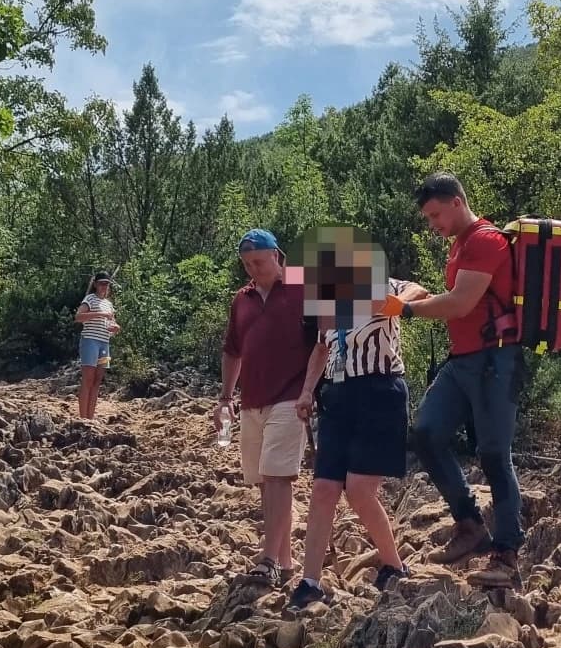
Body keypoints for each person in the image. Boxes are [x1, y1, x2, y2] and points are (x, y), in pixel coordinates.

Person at [383, 174, 524, 589]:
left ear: (458, 202)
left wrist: (405, 311)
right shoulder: (459, 245)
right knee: (427, 433)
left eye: (435, 215)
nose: (432, 225)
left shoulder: (485, 240)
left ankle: (507, 553)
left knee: (495, 453)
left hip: (496, 359)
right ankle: (470, 524)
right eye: (429, 218)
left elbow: (461, 303)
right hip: (463, 361)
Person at [288, 265, 429, 612]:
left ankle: (394, 565)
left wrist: (395, 304)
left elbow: (418, 290)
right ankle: (310, 583)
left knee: (359, 489)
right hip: (338, 395)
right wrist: (307, 391)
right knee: (323, 488)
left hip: (380, 390)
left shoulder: (378, 284)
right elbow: (321, 348)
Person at [219, 229, 315, 586]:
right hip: (251, 400)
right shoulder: (241, 299)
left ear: (277, 255)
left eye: (258, 261)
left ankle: (269, 558)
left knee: (278, 477)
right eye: (246, 264)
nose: (252, 269)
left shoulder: (302, 284)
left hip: (292, 396)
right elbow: (232, 351)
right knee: (264, 481)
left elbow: (328, 332)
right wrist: (225, 399)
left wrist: (315, 389)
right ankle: (285, 560)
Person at [75, 273, 120, 420]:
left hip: (104, 343)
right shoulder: (89, 299)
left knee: (97, 381)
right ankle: (83, 418)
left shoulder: (109, 304)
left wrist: (115, 328)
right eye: (101, 283)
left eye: (106, 284)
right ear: (95, 284)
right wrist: (100, 313)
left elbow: (112, 324)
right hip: (90, 341)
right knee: (88, 379)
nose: (104, 286)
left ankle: (91, 417)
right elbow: (79, 317)